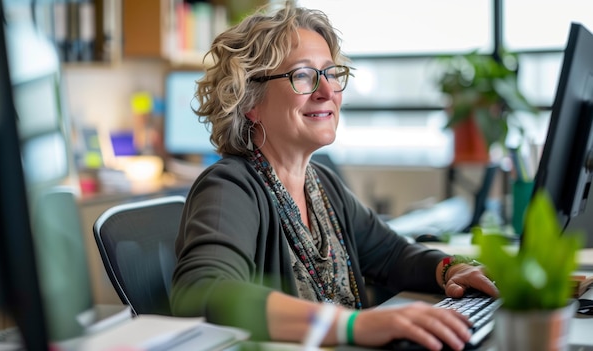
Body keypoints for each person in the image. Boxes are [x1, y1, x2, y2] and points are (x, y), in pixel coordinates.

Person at [169, 2, 499, 350]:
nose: (327, 91)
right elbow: (201, 291)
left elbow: (391, 255)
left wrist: (450, 268)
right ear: (250, 98)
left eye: (330, 73)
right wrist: (355, 324)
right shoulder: (230, 187)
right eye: (302, 75)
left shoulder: (321, 184)